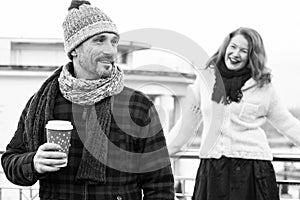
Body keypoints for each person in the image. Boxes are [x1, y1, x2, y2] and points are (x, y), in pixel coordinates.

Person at [1, 0, 174, 199]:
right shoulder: (43, 103)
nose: (111, 51)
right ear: (74, 49)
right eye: (99, 40)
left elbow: (160, 186)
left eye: (113, 41)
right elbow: (11, 160)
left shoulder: (138, 106)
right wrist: (33, 163)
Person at [167, 27, 300, 200]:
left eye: (244, 51)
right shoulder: (205, 79)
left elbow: (288, 124)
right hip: (213, 170)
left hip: (252, 171)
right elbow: (186, 125)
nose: (236, 53)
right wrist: (155, 156)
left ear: (252, 56)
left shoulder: (263, 86)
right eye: (233, 47)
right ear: (225, 47)